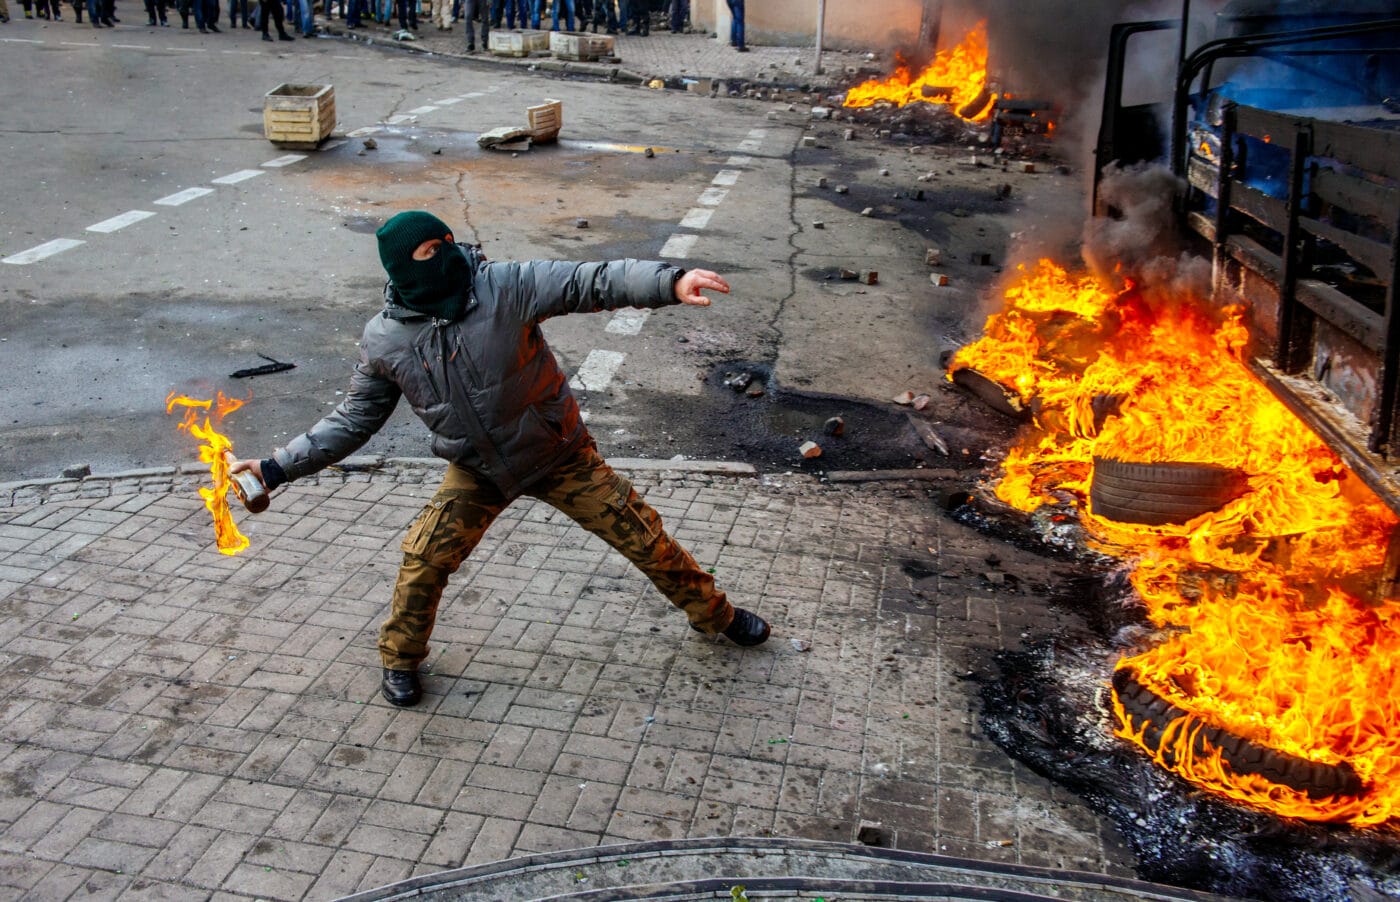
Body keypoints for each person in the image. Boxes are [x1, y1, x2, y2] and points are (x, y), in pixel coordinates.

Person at [231, 211, 771, 708]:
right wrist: (275, 468)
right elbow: (353, 421)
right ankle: (399, 661)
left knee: (643, 536)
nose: (445, 252)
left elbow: (590, 280)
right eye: (427, 251)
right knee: (424, 558)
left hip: (558, 454)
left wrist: (670, 283)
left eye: (445, 242)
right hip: (477, 471)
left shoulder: (502, 286)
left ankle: (717, 617)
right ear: (400, 266)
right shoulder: (385, 339)